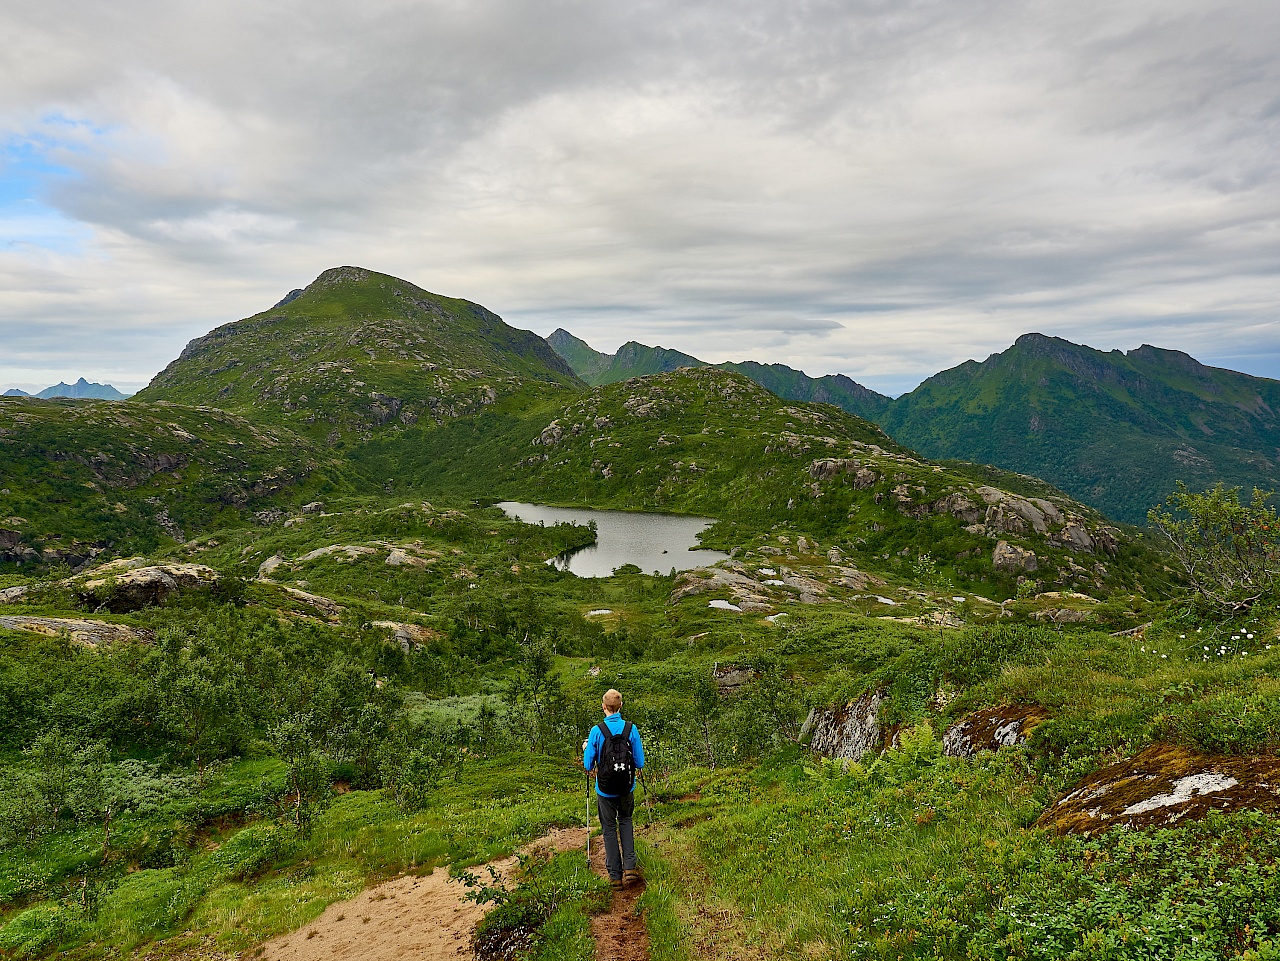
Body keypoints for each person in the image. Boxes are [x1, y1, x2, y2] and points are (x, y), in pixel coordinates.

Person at [583, 688, 645, 890]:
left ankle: (615, 877)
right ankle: (630, 868)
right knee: (626, 821)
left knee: (609, 829)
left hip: (605, 790)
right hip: (627, 787)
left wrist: (587, 749)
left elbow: (588, 765)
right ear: (621, 706)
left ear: (603, 707)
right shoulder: (631, 729)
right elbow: (639, 762)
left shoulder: (596, 731)